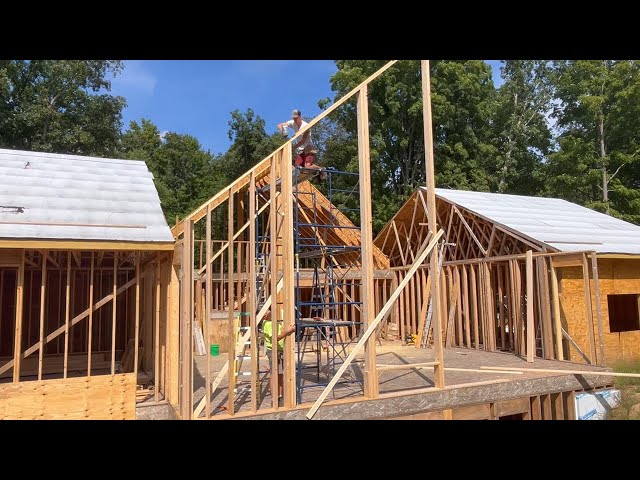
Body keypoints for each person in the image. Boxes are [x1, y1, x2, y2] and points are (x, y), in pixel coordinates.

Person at [277, 109, 324, 177]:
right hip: (301, 150)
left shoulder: (306, 126)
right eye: (294, 118)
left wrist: (293, 148)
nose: (295, 120)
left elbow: (303, 141)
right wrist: (282, 132)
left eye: (296, 118)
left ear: (300, 116)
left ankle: (321, 169)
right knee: (297, 168)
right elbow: (279, 125)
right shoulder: (292, 123)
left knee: (307, 166)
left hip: (308, 147)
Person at [262, 311, 296, 402]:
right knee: (274, 374)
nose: (270, 312)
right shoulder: (268, 324)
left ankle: (280, 396)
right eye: (267, 312)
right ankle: (274, 398)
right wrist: (289, 331)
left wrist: (286, 329)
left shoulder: (273, 322)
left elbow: (281, 331)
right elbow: (275, 338)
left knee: (280, 374)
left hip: (279, 351)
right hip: (273, 351)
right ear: (265, 316)